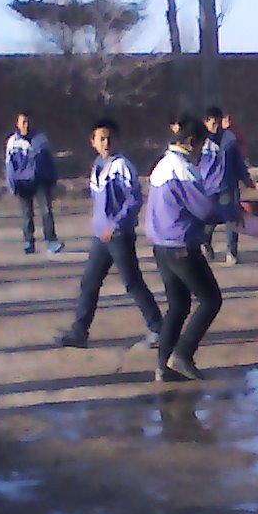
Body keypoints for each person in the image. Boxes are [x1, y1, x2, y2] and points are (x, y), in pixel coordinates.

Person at [56, 117, 163, 349]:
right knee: (89, 283)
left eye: (110, 138)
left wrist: (115, 226)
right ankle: (79, 332)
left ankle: (158, 328)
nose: (106, 143)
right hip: (101, 237)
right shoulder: (97, 165)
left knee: (132, 282)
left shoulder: (122, 166)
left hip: (118, 236)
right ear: (93, 141)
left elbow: (134, 200)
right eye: (102, 139)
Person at [143, 116, 230, 383]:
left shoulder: (162, 165)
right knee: (211, 299)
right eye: (201, 145)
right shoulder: (182, 169)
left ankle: (163, 366)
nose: (201, 152)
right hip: (180, 245)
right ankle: (182, 353)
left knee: (178, 305)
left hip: (161, 245)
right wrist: (230, 212)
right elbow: (205, 210)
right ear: (191, 142)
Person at [4, 112, 62, 255]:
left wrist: (53, 179)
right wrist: (12, 185)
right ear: (17, 124)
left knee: (46, 211)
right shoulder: (13, 142)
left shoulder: (41, 139)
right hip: (23, 183)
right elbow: (9, 165)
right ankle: (28, 241)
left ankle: (51, 241)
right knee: (27, 214)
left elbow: (50, 160)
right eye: (23, 122)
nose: (26, 125)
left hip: (41, 180)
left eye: (28, 122)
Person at [202, 105, 249, 265]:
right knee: (209, 219)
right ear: (206, 122)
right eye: (212, 123)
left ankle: (232, 251)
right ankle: (205, 242)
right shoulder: (200, 141)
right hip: (208, 187)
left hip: (228, 185)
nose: (216, 127)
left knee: (232, 218)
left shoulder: (229, 139)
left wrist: (246, 179)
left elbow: (238, 161)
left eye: (218, 122)